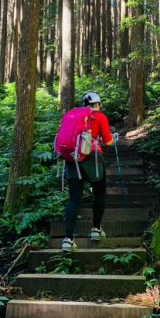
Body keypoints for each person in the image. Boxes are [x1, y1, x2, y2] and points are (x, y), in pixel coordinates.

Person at [61, 92, 116, 252]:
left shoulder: (72, 116)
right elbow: (108, 141)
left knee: (74, 199)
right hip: (93, 159)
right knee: (99, 194)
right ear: (98, 104)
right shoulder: (100, 117)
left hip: (73, 159)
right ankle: (96, 230)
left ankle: (68, 239)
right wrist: (114, 140)